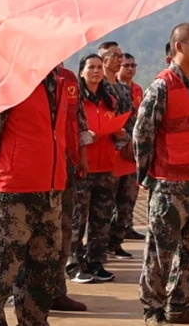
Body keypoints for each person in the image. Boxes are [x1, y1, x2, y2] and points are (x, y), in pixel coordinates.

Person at [0, 68, 68, 326]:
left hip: (50, 195)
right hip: (12, 197)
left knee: (41, 276)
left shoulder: (58, 84)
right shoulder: (9, 81)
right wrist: (0, 172)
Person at [134, 23, 189, 325]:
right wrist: (145, 174)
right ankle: (153, 308)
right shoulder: (162, 86)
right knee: (160, 251)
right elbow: (143, 133)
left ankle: (179, 305)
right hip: (169, 184)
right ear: (179, 47)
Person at [69, 53, 121, 284]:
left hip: (106, 167)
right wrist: (85, 136)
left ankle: (96, 262)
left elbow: (118, 134)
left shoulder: (109, 99)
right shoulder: (75, 100)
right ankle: (74, 263)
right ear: (81, 72)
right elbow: (69, 130)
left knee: (102, 218)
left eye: (99, 67)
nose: (96, 71)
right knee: (77, 219)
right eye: (91, 67)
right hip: (83, 167)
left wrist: (119, 133)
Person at [51, 62, 89, 312]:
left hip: (66, 163)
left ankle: (56, 290)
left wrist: (82, 157)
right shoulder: (25, 73)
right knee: (32, 231)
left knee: (64, 228)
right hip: (36, 165)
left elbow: (80, 120)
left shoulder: (69, 79)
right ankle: (24, 290)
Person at [97, 42, 137, 261]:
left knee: (126, 200)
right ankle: (99, 246)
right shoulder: (98, 86)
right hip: (106, 150)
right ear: (103, 59)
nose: (120, 59)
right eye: (115, 55)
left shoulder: (123, 88)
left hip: (126, 151)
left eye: (120, 55)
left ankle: (116, 242)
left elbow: (131, 116)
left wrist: (129, 140)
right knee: (105, 203)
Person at [117, 52, 146, 242]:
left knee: (131, 191)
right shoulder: (113, 89)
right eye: (126, 65)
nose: (130, 69)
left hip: (134, 147)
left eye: (133, 65)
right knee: (117, 193)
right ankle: (115, 231)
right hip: (119, 147)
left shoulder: (137, 89)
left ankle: (127, 226)